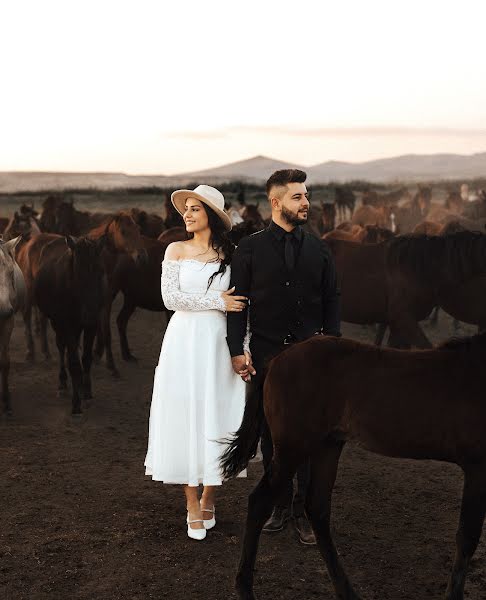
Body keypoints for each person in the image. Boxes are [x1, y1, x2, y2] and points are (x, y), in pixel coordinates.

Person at [227, 169, 341, 545]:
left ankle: (303, 510)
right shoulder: (250, 248)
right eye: (297, 196)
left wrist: (331, 344)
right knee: (270, 434)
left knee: (310, 435)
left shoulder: (320, 248)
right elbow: (238, 303)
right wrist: (235, 351)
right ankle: (278, 504)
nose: (306, 202)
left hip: (311, 359)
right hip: (266, 355)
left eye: (306, 195)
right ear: (276, 203)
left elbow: (332, 300)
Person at [144, 184, 249, 541]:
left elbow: (241, 307)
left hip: (218, 344)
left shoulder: (231, 255)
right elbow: (170, 298)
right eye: (185, 209)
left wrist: (243, 347)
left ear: (211, 217)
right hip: (184, 341)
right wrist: (217, 300)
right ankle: (191, 503)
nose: (186, 215)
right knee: (185, 413)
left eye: (194, 209)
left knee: (218, 413)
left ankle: (210, 495)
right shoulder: (175, 249)